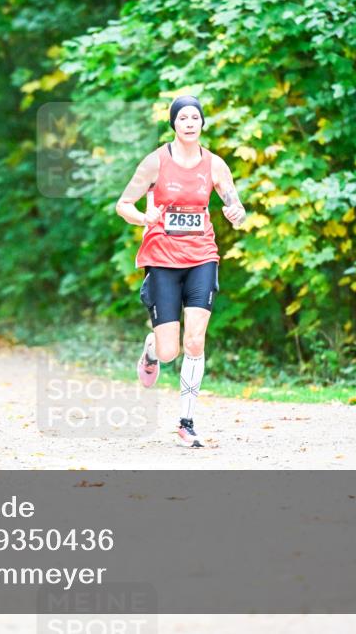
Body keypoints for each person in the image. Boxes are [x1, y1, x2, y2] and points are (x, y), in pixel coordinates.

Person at [115, 96, 246, 448]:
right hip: (162, 257)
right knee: (169, 350)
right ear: (174, 123)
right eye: (183, 117)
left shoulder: (216, 165)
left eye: (195, 117)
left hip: (202, 255)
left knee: (195, 340)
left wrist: (236, 213)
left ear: (203, 123)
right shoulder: (155, 162)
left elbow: (235, 203)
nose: (189, 122)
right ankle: (151, 349)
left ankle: (186, 422)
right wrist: (145, 218)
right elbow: (123, 204)